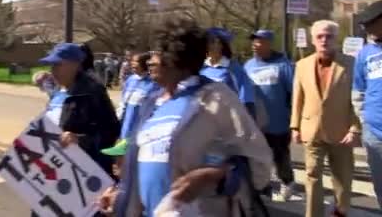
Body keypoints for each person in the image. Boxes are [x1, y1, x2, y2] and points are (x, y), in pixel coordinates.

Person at [99, 20, 272, 217]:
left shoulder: (216, 98)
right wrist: (122, 196)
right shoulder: (152, 103)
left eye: (157, 53)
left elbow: (258, 163)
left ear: (176, 58)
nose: (150, 61)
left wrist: (214, 175)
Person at [291, 20, 361, 217]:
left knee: (342, 178)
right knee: (312, 176)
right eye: (320, 36)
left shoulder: (350, 64)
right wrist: (295, 127)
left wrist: (355, 128)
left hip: (342, 132)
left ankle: (340, 211)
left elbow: (357, 99)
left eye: (329, 36)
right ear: (313, 39)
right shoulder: (302, 65)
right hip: (311, 130)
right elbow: (298, 98)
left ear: (336, 39)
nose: (324, 40)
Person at [39, 43, 120, 175]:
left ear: (75, 65)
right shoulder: (60, 91)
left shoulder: (91, 92)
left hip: (86, 172)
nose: (52, 70)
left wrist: (80, 140)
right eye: (51, 65)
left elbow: (110, 131)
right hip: (61, 165)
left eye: (57, 65)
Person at [244, 29, 296, 201]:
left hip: (279, 122)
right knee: (259, 158)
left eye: (259, 41)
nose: (255, 45)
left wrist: (293, 118)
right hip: (256, 123)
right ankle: (264, 188)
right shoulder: (248, 65)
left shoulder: (283, 64)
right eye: (253, 41)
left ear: (268, 43)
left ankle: (287, 181)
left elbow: (294, 92)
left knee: (280, 155)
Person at [353, 0, 382, 208]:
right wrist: (363, 121)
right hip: (373, 132)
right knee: (380, 185)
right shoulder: (364, 53)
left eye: (370, 23)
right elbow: (358, 91)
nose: (366, 28)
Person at [200, 27, 257, 119]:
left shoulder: (234, 69)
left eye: (211, 42)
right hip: (206, 122)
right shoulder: (201, 68)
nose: (207, 46)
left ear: (221, 45)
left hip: (229, 122)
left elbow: (247, 100)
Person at [116, 52, 160, 139]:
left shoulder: (153, 83)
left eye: (136, 61)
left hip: (139, 127)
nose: (132, 64)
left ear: (144, 64)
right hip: (125, 124)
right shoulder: (131, 79)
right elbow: (123, 99)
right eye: (132, 61)